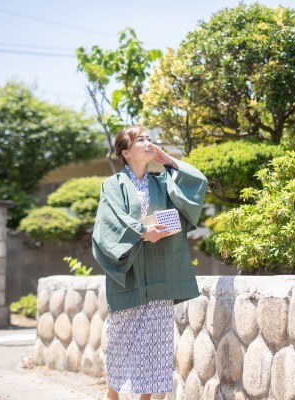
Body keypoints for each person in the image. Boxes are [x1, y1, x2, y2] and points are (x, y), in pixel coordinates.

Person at [92, 125, 207, 400]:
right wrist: (143, 232)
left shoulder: (161, 181)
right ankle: (113, 395)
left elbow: (197, 183)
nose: (148, 143)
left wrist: (169, 162)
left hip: (158, 269)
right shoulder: (112, 185)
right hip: (129, 270)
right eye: (140, 139)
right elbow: (111, 220)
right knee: (121, 339)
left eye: (149, 139)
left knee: (155, 343)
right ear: (125, 151)